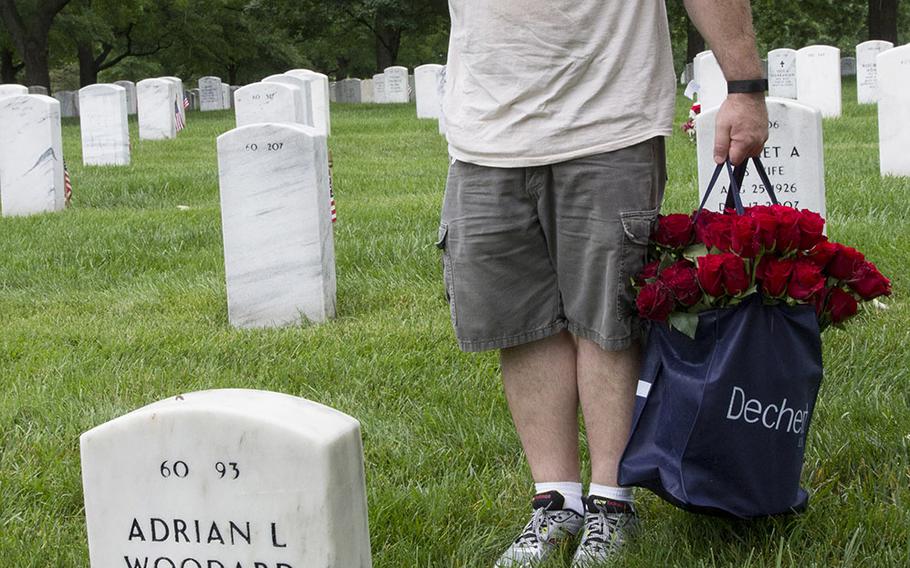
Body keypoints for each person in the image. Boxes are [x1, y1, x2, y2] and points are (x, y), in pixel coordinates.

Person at [436, 1, 769, 566]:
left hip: (608, 120)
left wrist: (744, 84)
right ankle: (555, 499)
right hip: (484, 132)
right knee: (522, 325)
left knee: (610, 321)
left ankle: (612, 503)